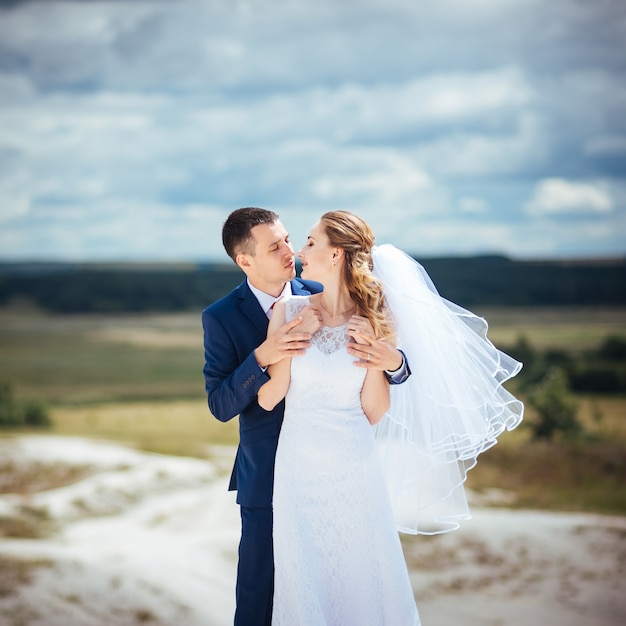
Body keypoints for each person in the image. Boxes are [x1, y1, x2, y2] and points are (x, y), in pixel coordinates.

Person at [259, 211, 524, 624]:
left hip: (353, 466)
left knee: (364, 574)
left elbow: (375, 410)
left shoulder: (373, 319)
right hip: (297, 466)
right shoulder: (288, 311)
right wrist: (288, 344)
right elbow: (271, 396)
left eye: (311, 242)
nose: (299, 251)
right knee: (303, 574)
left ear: (337, 255)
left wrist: (380, 360)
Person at [201, 207, 410, 626]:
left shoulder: (325, 290)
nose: (290, 250)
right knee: (261, 599)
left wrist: (393, 362)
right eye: (275, 245)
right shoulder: (221, 317)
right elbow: (221, 405)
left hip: (344, 466)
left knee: (348, 588)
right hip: (268, 475)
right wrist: (265, 354)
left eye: (290, 239)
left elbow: (385, 378)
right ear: (246, 261)